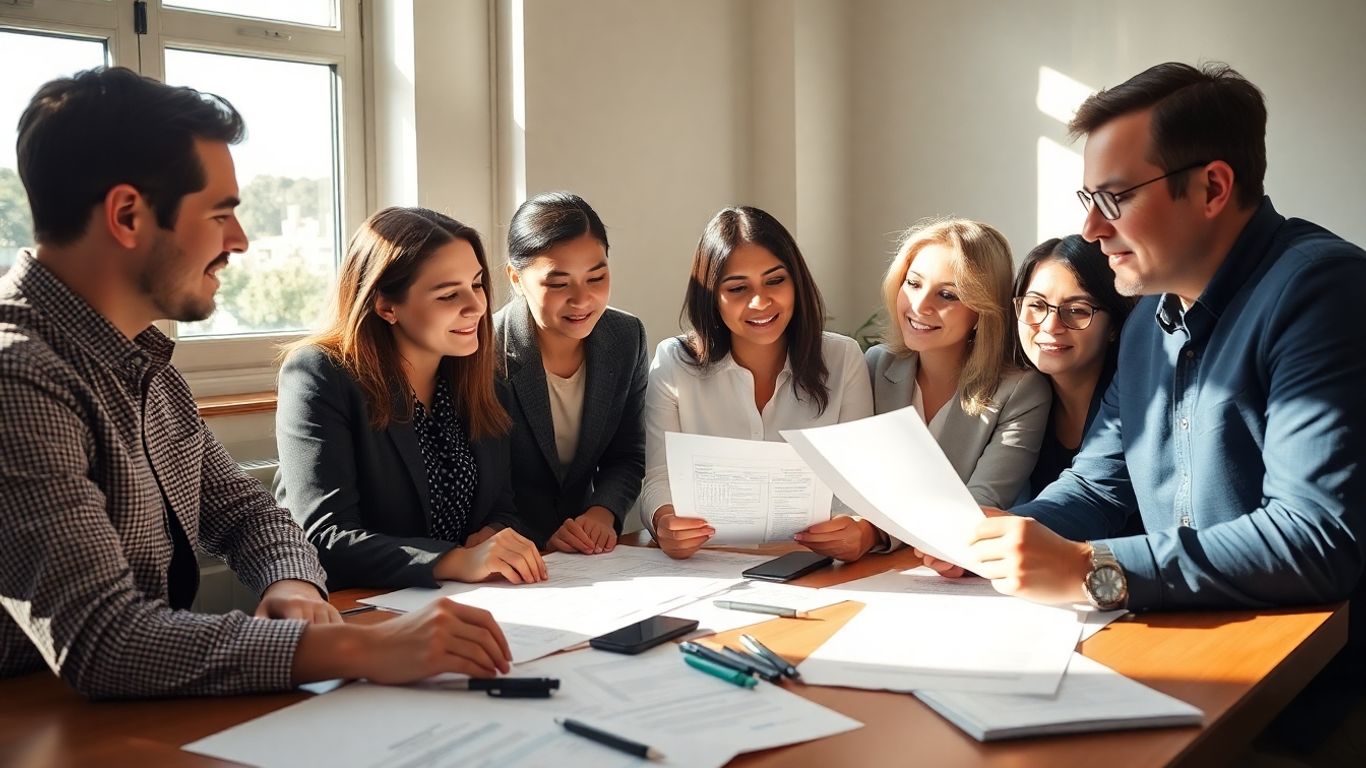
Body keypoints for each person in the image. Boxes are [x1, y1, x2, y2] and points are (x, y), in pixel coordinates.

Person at [0, 67, 511, 698]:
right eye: (220, 214)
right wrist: (363, 645)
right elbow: (106, 640)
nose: (239, 241)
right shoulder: (18, 375)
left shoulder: (142, 361)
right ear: (128, 214)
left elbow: (248, 515)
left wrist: (291, 583)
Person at [918, 62, 1366, 753]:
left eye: (1115, 197)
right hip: (1175, 664)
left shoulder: (1320, 290)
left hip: (1305, 701)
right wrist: (998, 534)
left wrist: (1090, 567)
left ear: (1213, 187)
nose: (1091, 228)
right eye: (1086, 197)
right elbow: (1101, 482)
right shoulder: (1150, 321)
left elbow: (1313, 539)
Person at [275, 207, 548, 590]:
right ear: (386, 306)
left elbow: (502, 506)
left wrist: (495, 534)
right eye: (449, 294)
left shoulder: (481, 380)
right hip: (355, 608)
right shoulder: (319, 375)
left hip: (461, 599)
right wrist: (454, 560)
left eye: (477, 284)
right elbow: (323, 537)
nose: (476, 306)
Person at [641, 205, 873, 560]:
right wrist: (664, 520)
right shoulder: (674, 362)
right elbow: (659, 478)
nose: (760, 301)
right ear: (711, 298)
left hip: (815, 566)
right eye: (737, 288)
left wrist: (856, 529)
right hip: (707, 564)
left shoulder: (843, 359)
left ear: (796, 282)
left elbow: (856, 483)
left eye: (775, 280)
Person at [864, 218, 1051, 529]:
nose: (919, 305)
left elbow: (980, 507)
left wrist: (878, 535)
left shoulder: (1022, 391)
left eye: (948, 295)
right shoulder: (875, 365)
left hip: (959, 563)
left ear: (982, 310)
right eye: (913, 283)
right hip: (876, 559)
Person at [494, 192, 647, 553]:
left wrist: (601, 511)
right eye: (559, 283)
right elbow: (481, 480)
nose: (582, 300)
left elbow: (628, 453)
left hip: (587, 552)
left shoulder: (626, 337)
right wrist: (535, 537)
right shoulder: (482, 349)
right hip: (508, 548)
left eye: (596, 277)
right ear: (516, 278)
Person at [1012, 235, 1133, 500]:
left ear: (1113, 326)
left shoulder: (1134, 403)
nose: (1050, 326)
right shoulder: (1016, 402)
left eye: (1077, 310)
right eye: (1035, 305)